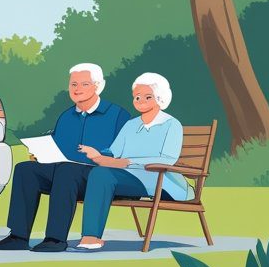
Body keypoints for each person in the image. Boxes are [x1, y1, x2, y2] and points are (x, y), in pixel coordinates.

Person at [0, 62, 129, 253]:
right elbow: (57, 148)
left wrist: (99, 155)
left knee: (67, 170)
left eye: (84, 84)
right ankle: (18, 236)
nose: (77, 89)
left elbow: (124, 153)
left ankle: (55, 239)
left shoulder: (117, 115)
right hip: (66, 172)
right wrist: (41, 155)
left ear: (98, 86)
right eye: (73, 84)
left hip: (98, 175)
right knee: (25, 169)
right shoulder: (66, 116)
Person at [74, 72, 191, 251]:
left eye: (147, 96)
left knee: (101, 175)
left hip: (160, 182)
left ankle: (91, 237)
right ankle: (87, 235)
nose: (140, 100)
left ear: (160, 97)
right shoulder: (130, 125)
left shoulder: (171, 124)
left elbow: (168, 159)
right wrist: (97, 153)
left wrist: (128, 162)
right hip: (131, 179)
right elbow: (113, 152)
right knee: (94, 173)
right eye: (137, 97)